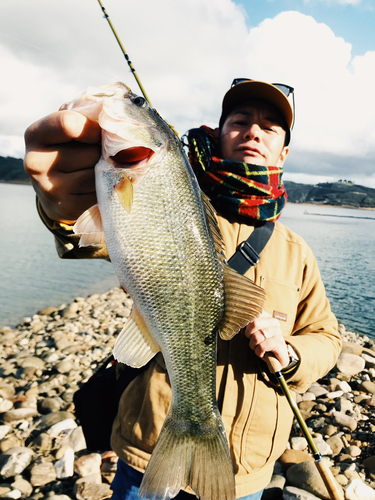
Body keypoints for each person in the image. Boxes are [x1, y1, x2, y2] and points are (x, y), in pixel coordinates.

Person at [24, 79, 341, 500]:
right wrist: (59, 206)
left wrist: (291, 353)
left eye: (269, 127)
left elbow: (328, 336)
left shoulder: (296, 252)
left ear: (283, 152)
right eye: (241, 120)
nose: (252, 132)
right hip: (147, 451)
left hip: (246, 470)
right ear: (219, 132)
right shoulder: (168, 187)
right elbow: (85, 232)